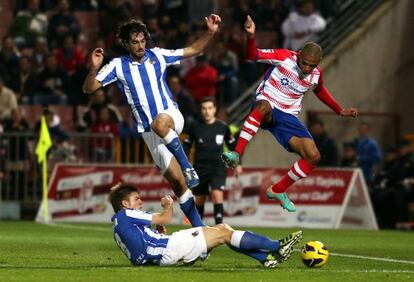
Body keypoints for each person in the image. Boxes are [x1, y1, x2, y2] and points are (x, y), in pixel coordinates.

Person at [83, 15, 222, 227]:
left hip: (171, 116)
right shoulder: (118, 66)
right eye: (135, 42)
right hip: (150, 134)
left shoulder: (158, 55)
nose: (140, 46)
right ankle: (200, 230)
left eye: (142, 41)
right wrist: (94, 67)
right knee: (178, 184)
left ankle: (188, 167)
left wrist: (210, 32)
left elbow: (193, 50)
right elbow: (89, 88)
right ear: (126, 44)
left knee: (160, 124)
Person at [221, 15, 358, 212]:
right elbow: (253, 56)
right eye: (304, 63)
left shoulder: (316, 74)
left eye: (311, 65)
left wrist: (339, 110)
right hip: (267, 102)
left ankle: (278, 189)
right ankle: (237, 153)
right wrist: (250, 36)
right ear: (299, 54)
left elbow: (320, 90)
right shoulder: (284, 56)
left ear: (318, 63)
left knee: (313, 155)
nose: (306, 68)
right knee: (263, 107)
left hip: (287, 117)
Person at [109, 183, 302, 267]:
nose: (140, 202)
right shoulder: (126, 214)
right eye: (136, 199)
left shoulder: (119, 222)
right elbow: (165, 217)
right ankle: (277, 247)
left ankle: (265, 258)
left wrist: (156, 233)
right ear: (125, 204)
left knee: (222, 231)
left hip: (163, 251)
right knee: (225, 232)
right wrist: (167, 205)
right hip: (169, 249)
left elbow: (138, 244)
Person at [184, 97, 241, 224]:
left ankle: (219, 226)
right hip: (200, 168)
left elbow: (233, 147)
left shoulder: (222, 127)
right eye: (204, 108)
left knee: (217, 194)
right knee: (199, 199)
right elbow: (186, 145)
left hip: (218, 167)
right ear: (201, 110)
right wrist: (184, 163)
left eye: (210, 108)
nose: (207, 111)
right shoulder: (195, 127)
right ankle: (198, 228)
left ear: (214, 109)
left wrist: (238, 164)